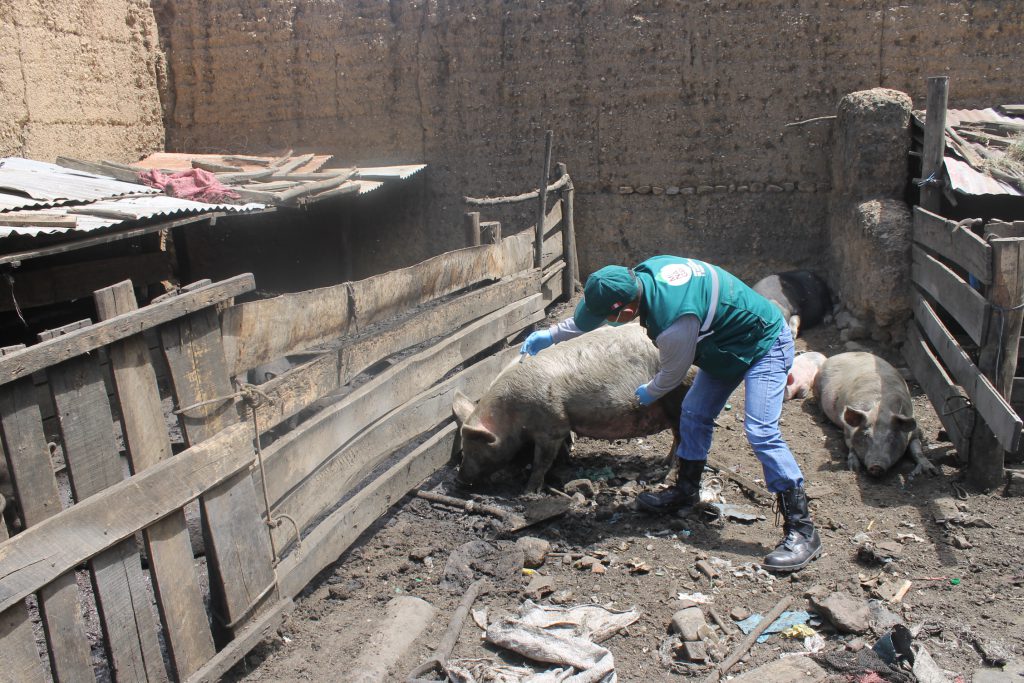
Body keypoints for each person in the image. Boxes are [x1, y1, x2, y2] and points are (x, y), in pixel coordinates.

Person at [520, 255, 821, 572]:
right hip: (725, 343)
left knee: (760, 430)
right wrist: (552, 335)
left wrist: (650, 391)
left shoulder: (675, 323)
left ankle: (802, 529)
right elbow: (592, 318)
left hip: (764, 343)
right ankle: (686, 491)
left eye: (609, 317)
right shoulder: (642, 276)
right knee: (693, 411)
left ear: (626, 312)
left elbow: (672, 374)